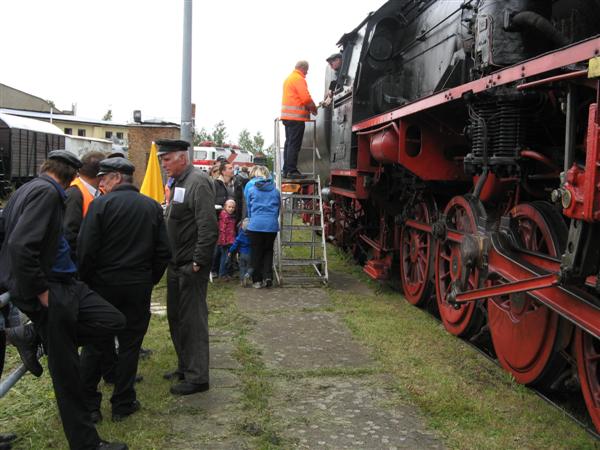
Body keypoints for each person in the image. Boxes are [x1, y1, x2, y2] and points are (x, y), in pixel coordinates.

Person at [0, 150, 127, 450]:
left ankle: (31, 334)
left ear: (46, 167)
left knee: (113, 321)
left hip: (63, 285)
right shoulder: (47, 193)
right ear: (72, 175)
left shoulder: (27, 189)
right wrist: (40, 291)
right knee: (68, 374)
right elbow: (20, 244)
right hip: (52, 289)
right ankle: (87, 444)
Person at [77, 157, 170, 423]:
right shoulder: (151, 207)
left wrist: (87, 281)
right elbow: (163, 251)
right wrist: (148, 278)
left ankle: (89, 404)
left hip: (103, 286)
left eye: (104, 178)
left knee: (95, 344)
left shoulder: (99, 206)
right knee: (131, 344)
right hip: (137, 286)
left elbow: (86, 250)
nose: (101, 183)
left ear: (117, 177)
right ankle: (123, 401)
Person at [156, 139, 218, 396]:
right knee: (176, 319)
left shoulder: (198, 182)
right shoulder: (179, 182)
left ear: (182, 157)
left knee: (192, 321)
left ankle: (197, 377)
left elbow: (208, 227)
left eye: (167, 159)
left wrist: (198, 262)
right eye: (162, 159)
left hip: (190, 266)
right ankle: (185, 366)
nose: (163, 164)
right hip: (176, 263)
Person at [64, 151, 106, 257]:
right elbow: (69, 233)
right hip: (80, 260)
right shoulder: (74, 194)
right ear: (101, 175)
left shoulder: (99, 192)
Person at [281, 60, 318, 179]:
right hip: (296, 118)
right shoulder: (299, 78)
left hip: (288, 117)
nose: (307, 73)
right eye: (306, 70)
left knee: (289, 143)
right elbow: (306, 98)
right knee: (294, 145)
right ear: (302, 68)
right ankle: (292, 170)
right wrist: (313, 108)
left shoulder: (289, 79)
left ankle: (286, 170)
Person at [246, 166, 281, 288]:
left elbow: (249, 210)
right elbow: (278, 210)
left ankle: (257, 280)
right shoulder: (276, 191)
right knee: (268, 251)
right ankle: (268, 277)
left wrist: (252, 219)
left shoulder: (251, 190)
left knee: (256, 253)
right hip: (271, 225)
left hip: (255, 225)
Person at [216, 199, 237, 279]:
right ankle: (222, 274)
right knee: (225, 259)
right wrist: (223, 241)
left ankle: (226, 273)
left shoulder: (231, 216)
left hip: (230, 240)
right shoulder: (224, 216)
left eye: (233, 207)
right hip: (225, 242)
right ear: (225, 207)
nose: (231, 209)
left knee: (228, 258)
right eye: (229, 207)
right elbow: (222, 230)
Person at [229, 218, 252, 287]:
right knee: (251, 267)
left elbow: (235, 244)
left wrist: (230, 251)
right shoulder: (252, 237)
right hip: (249, 254)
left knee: (242, 267)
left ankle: (242, 280)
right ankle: (247, 275)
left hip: (241, 254)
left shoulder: (240, 236)